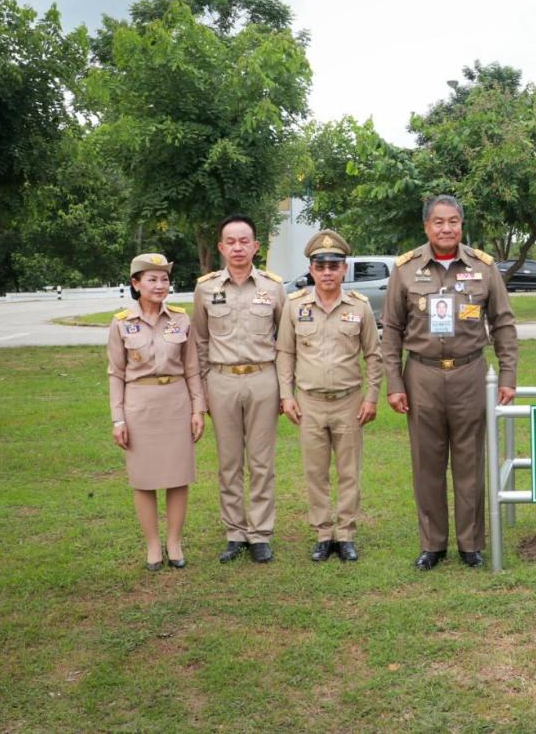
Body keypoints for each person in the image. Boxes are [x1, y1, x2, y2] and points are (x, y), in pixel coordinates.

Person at [382, 195, 518, 570]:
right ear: (426, 226)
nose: (446, 228)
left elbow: (503, 323)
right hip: (421, 374)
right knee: (427, 462)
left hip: (470, 373)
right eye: (439, 222)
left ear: (462, 225)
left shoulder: (484, 267)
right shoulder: (406, 269)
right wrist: (394, 382)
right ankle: (433, 544)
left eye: (453, 221)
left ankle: (471, 544)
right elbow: (391, 329)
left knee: (470, 460)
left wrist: (508, 374)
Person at [276, 230, 383, 564]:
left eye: (333, 266)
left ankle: (346, 534)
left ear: (344, 270)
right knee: (316, 472)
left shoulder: (360, 308)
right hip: (309, 402)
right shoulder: (295, 307)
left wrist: (371, 397)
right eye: (320, 265)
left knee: (349, 471)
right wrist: (286, 395)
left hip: (349, 402)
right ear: (311, 269)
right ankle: (323, 534)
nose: (326, 272)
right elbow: (284, 352)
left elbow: (374, 355)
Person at [192, 214, 286, 564]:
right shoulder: (206, 288)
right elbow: (199, 343)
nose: (237, 247)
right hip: (222, 380)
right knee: (229, 462)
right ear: (220, 247)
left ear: (256, 246)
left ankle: (260, 534)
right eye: (230, 241)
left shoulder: (273, 288)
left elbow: (285, 342)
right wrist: (202, 393)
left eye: (244, 241)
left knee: (262, 462)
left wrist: (284, 389)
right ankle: (235, 533)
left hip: (263, 379)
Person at [107, 254, 206, 570]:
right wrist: (118, 418)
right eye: (152, 279)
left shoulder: (180, 319)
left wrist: (197, 410)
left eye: (164, 279)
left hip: (176, 403)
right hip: (140, 405)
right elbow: (115, 373)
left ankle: (174, 543)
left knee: (178, 477)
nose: (160, 285)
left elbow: (192, 369)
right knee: (144, 479)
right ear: (136, 284)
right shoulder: (121, 322)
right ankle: (152, 546)